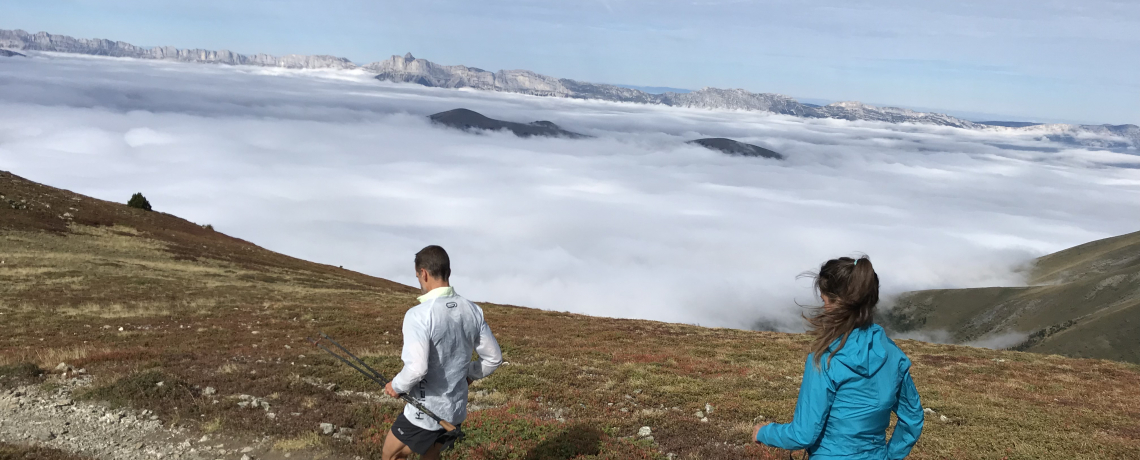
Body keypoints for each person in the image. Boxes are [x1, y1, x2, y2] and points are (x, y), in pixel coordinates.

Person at [752, 256, 923, 459]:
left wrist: (763, 432)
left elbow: (803, 435)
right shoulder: (894, 356)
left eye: (825, 301)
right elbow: (912, 418)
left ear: (836, 303)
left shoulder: (826, 357)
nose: (823, 308)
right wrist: (889, 456)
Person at [382, 245, 503, 460]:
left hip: (424, 413)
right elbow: (493, 358)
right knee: (431, 455)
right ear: (447, 271)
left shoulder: (418, 315)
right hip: (455, 411)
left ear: (424, 273)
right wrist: (468, 375)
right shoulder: (472, 310)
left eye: (418, 276)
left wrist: (396, 386)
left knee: (391, 454)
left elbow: (417, 368)